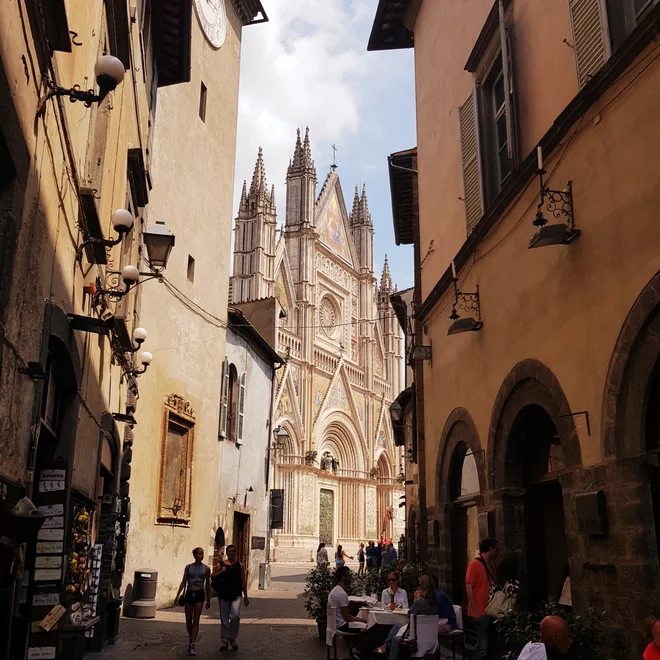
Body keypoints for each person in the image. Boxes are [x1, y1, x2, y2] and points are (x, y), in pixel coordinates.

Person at [375, 575, 438, 658]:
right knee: (397, 625)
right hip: (431, 638)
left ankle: (387, 649)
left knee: (395, 639)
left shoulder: (419, 602)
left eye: (419, 585)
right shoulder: (436, 602)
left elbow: (410, 614)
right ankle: (385, 646)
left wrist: (416, 600)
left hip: (415, 636)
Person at [466, 537, 499, 660]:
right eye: (496, 549)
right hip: (480, 611)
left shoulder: (491, 566)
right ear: (490, 549)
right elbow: (469, 588)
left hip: (490, 610)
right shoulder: (474, 565)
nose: (497, 552)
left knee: (490, 645)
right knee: (482, 646)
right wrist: (474, 611)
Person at [211, 544, 249, 651]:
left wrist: (246, 595)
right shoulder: (221, 564)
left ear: (235, 553)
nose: (232, 553)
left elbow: (243, 581)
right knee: (224, 619)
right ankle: (225, 641)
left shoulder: (239, 565)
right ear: (227, 553)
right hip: (224, 594)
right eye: (230, 551)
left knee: (235, 617)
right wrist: (221, 571)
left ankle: (232, 638)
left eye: (233, 551)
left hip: (236, 594)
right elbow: (212, 576)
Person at [174, 547, 211, 656]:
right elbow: (183, 581)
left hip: (199, 594)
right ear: (194, 555)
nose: (201, 555)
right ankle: (191, 638)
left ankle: (192, 643)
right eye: (199, 554)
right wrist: (177, 595)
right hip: (189, 594)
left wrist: (208, 599)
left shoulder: (206, 569)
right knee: (188, 620)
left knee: (196, 620)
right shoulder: (188, 567)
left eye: (202, 553)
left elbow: (207, 584)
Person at [328, 566, 366, 659]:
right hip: (342, 625)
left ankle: (355, 649)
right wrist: (361, 620)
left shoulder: (334, 591)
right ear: (343, 577)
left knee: (362, 626)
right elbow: (347, 617)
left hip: (334, 624)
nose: (350, 578)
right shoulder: (342, 594)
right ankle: (357, 651)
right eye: (349, 576)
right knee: (367, 628)